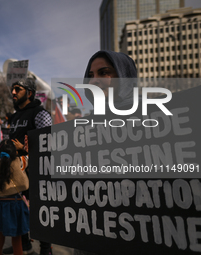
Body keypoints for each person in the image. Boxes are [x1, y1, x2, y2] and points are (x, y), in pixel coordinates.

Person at [74, 51, 137, 255]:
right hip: (91, 231)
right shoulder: (85, 126)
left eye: (104, 72)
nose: (95, 80)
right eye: (90, 75)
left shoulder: (151, 120)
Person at [6, 77, 53, 255]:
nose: (13, 92)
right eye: (13, 89)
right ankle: (24, 243)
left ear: (30, 93)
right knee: (18, 209)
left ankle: (46, 248)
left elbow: (47, 143)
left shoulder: (40, 114)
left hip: (35, 173)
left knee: (39, 212)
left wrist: (25, 149)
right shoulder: (16, 115)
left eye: (18, 89)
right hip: (16, 172)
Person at [0, 139, 29, 255]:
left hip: (1, 206)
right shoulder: (20, 162)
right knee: (17, 240)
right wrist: (22, 147)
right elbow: (31, 154)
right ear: (15, 152)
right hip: (17, 205)